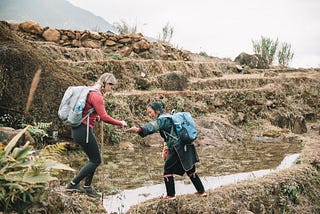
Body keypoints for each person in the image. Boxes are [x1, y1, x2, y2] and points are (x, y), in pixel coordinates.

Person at [126, 100, 206, 199]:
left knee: (167, 169)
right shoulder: (169, 116)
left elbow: (152, 127)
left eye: (150, 112)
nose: (149, 115)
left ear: (157, 111)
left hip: (177, 147)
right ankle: (202, 191)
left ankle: (171, 195)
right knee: (190, 169)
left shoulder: (162, 120)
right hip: (186, 145)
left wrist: (138, 130)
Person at [66, 73, 127, 197]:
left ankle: (87, 186)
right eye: (110, 85)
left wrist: (96, 117)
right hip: (84, 130)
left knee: (93, 159)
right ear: (104, 83)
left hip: (78, 129)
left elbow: (88, 110)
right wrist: (120, 123)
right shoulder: (97, 95)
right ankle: (72, 184)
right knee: (96, 160)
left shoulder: (89, 91)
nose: (110, 88)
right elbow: (105, 117)